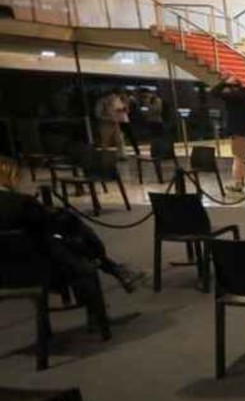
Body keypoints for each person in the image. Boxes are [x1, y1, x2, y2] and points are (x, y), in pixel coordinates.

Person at [0, 157, 148, 299]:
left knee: (64, 237)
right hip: (38, 266)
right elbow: (51, 223)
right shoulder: (21, 202)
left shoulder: (19, 203)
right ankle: (109, 274)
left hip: (7, 268)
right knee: (75, 241)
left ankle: (113, 268)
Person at [213, 76, 245, 192]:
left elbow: (214, 92)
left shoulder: (233, 96)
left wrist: (224, 83)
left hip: (239, 132)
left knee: (238, 158)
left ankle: (238, 184)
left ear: (234, 87)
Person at [94, 90, 126, 159]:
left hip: (116, 124)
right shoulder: (101, 102)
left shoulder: (116, 101)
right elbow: (98, 115)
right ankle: (105, 156)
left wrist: (120, 117)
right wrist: (109, 118)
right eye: (112, 96)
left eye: (114, 96)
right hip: (105, 125)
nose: (114, 97)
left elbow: (121, 110)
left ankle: (121, 155)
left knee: (119, 140)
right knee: (105, 141)